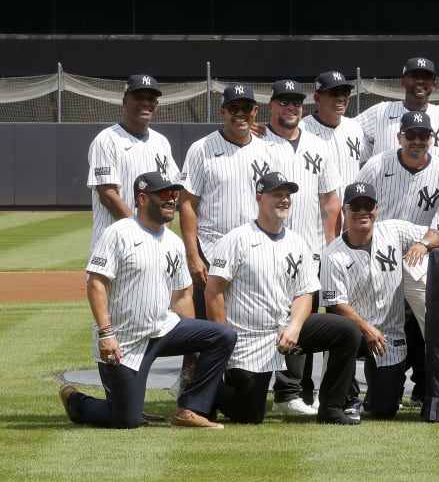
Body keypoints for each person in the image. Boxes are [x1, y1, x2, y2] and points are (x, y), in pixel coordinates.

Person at [60, 172, 236, 430]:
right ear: (142, 199)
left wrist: (191, 349)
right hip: (125, 339)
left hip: (164, 329)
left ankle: (189, 408)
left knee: (222, 336)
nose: (172, 200)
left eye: (174, 195)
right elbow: (95, 283)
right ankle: (76, 402)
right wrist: (106, 333)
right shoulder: (117, 234)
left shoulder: (173, 242)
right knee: (126, 419)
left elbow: (183, 294)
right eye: (164, 194)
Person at [205, 172, 362, 425]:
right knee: (249, 416)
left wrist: (295, 326)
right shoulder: (237, 239)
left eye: (287, 195)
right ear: (259, 198)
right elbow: (213, 291)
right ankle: (201, 386)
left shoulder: (297, 241)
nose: (284, 200)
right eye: (277, 194)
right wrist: (223, 341)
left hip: (284, 330)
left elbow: (305, 293)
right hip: (248, 338)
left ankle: (332, 407)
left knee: (347, 331)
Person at [355, 110, 439, 408]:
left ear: (432, 138)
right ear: (399, 136)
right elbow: (354, 214)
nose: (416, 141)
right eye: (410, 135)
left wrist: (434, 254)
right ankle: (377, 391)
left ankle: (431, 391)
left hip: (421, 257)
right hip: (379, 258)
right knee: (384, 326)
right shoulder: (376, 166)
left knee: (428, 328)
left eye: (422, 136)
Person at [320, 182, 439, 419]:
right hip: (354, 332)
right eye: (355, 206)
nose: (362, 211)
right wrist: (366, 328)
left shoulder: (394, 230)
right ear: (345, 211)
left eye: (368, 205)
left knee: (384, 410)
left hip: (390, 335)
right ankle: (347, 398)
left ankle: (376, 396)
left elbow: (437, 235)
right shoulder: (332, 254)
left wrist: (422, 244)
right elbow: (335, 303)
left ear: (377, 208)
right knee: (342, 335)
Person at [263, 79, 343, 415]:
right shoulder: (258, 143)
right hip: (271, 247)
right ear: (272, 106)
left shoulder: (318, 145)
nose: (291, 107)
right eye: (283, 101)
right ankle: (285, 392)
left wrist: (330, 247)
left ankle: (300, 392)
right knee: (276, 315)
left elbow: (329, 200)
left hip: (311, 249)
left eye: (296, 102)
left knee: (305, 320)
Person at [179, 83, 274, 320]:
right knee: (207, 331)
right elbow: (187, 204)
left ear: (255, 111)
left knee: (249, 322)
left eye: (245, 108)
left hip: (255, 252)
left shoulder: (269, 150)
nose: (239, 114)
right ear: (223, 111)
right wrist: (193, 257)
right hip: (211, 249)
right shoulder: (201, 149)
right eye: (233, 108)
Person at [86, 74, 179, 255]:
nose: (145, 103)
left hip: (155, 245)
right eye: (138, 97)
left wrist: (163, 232)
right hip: (114, 245)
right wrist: (142, 232)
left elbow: (173, 193)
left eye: (151, 98)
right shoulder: (106, 140)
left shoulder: (162, 142)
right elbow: (108, 196)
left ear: (157, 105)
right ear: (124, 101)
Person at [356, 57, 439, 158]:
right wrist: (368, 151)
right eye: (414, 76)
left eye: (427, 77)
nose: (420, 81)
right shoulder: (381, 111)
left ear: (434, 84)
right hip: (388, 180)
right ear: (403, 82)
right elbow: (349, 130)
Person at [303, 71, 368, 217]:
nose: (341, 98)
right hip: (316, 218)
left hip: (352, 215)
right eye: (334, 93)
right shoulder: (301, 131)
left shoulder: (354, 127)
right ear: (317, 98)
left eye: (345, 93)